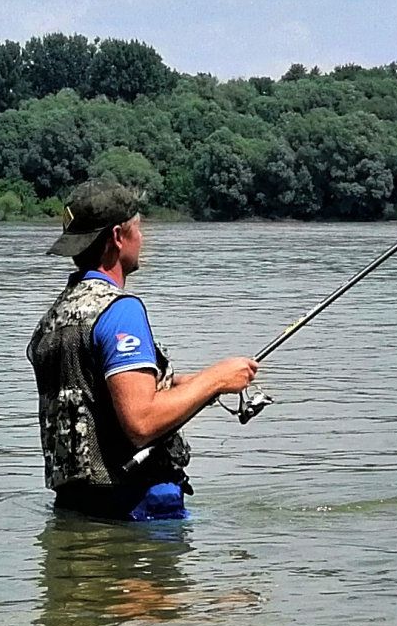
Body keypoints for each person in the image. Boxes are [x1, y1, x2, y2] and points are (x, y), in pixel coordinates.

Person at [28, 181, 258, 520]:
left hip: (76, 512)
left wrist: (184, 386)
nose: (143, 238)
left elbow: (93, 395)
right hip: (137, 511)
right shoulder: (121, 310)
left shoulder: (53, 319)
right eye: (139, 227)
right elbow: (141, 421)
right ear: (118, 237)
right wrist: (216, 380)